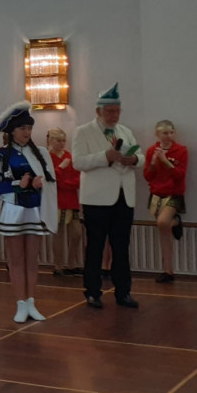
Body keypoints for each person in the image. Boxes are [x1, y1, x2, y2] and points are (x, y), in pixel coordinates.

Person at [72, 83, 144, 309]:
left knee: (122, 247)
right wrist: (105, 156)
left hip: (124, 198)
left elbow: (139, 154)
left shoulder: (125, 131)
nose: (114, 115)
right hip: (96, 200)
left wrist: (134, 160)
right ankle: (93, 292)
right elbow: (78, 162)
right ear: (98, 112)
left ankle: (123, 292)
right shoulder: (83, 132)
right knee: (95, 246)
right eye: (110, 111)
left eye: (117, 111)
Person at [0, 103, 58, 323]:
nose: (27, 132)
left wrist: (40, 184)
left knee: (32, 260)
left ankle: (31, 302)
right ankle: (20, 303)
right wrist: (21, 183)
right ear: (12, 131)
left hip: (35, 211)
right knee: (16, 260)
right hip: (13, 211)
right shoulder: (0, 155)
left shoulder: (41, 154)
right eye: (22, 128)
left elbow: (51, 183)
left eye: (29, 127)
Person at [144, 120, 188, 283]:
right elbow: (148, 176)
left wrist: (165, 161)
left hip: (174, 194)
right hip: (157, 194)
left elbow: (179, 175)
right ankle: (168, 270)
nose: (168, 136)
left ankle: (175, 221)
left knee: (163, 222)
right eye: (165, 133)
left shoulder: (181, 150)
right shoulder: (151, 151)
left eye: (171, 132)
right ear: (158, 135)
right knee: (163, 232)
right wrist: (155, 162)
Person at [47, 128, 82, 276]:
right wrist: (61, 170)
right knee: (59, 233)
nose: (61, 144)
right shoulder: (48, 158)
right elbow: (51, 179)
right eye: (58, 140)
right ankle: (58, 265)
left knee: (76, 233)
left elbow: (78, 179)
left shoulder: (70, 157)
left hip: (71, 200)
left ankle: (71, 263)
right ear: (51, 141)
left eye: (63, 141)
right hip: (57, 201)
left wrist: (64, 182)